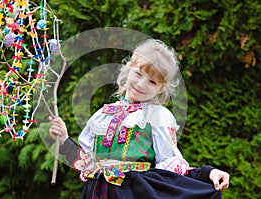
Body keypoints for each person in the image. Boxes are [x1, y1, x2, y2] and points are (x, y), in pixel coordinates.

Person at [49, 39, 230, 199]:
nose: (141, 84)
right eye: (138, 74)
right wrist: (64, 140)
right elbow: (87, 164)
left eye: (152, 82)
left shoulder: (157, 116)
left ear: (161, 88)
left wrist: (207, 174)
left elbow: (171, 163)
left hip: (132, 193)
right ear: (128, 69)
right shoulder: (103, 114)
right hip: (96, 192)